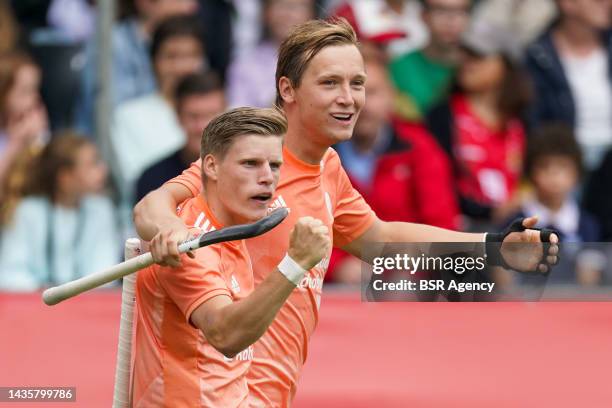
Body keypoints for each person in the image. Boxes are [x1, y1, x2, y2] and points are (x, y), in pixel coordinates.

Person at [134, 19, 559, 406]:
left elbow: (382, 241)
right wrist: (170, 229)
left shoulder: (328, 168)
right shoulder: (250, 158)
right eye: (330, 83)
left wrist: (490, 247)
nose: (349, 98)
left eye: (357, 83)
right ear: (288, 90)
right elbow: (153, 206)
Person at [132, 106, 331, 407]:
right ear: (211, 167)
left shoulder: (234, 227)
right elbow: (226, 335)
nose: (267, 178)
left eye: (275, 166)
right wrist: (295, 264)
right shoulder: (190, 244)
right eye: (250, 164)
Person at [330, 53, 460, 282]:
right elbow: (301, 230)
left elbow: (442, 225)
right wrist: (338, 267)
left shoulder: (419, 148)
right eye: (350, 94)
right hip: (336, 289)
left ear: (392, 97)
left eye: (372, 93)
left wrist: (404, 261)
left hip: (410, 282)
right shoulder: (317, 154)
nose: (361, 104)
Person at [424, 21, 531, 228]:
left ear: (506, 65)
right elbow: (437, 182)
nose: (467, 62)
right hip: (460, 229)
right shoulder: (440, 117)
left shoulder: (523, 119)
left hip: (518, 225)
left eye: (478, 56)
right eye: (464, 54)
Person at [0, 132, 119, 291]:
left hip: (86, 307)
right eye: (92, 164)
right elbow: (10, 272)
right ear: (65, 177)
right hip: (33, 306)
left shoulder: (102, 210)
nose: (103, 170)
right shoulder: (26, 212)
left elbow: (106, 274)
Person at [110, 15, 207, 208]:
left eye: (191, 56)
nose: (182, 67)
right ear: (154, 62)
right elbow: (139, 182)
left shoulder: (226, 112)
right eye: (172, 56)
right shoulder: (128, 116)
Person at [75, 0, 199, 134]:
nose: (192, 7)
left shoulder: (190, 41)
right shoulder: (111, 46)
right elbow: (117, 122)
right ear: (145, 2)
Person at [525, 0, 612, 170]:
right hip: (566, 166)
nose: (608, 3)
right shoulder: (538, 57)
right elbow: (536, 124)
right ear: (568, 3)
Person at [136, 71, 226, 202]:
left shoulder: (248, 171)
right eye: (193, 116)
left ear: (226, 117)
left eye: (210, 115)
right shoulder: (153, 178)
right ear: (178, 117)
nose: (201, 127)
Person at [389, 0, 471, 121]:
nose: (451, 20)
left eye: (460, 11)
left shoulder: (478, 70)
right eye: (441, 11)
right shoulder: (398, 68)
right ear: (424, 15)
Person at [227, 0, 316, 108]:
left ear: (311, 14)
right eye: (280, 6)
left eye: (296, 7)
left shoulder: (323, 57)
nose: (287, 14)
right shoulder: (244, 65)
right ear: (266, 13)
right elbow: (238, 117)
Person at [0, 52, 49, 209]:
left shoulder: (36, 131)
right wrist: (15, 144)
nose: (35, 98)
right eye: (25, 91)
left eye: (36, 90)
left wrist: (39, 141)